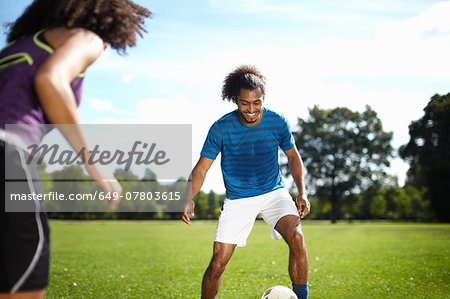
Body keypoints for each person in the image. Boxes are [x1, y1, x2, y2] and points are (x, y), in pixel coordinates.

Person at [0, 0, 151, 298]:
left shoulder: (15, 49)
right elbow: (51, 80)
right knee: (23, 289)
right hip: (8, 151)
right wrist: (95, 166)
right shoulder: (87, 37)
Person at [182, 65, 311, 299]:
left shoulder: (277, 121)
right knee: (218, 263)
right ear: (235, 100)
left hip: (274, 193)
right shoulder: (221, 128)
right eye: (245, 103)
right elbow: (201, 169)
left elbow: (293, 156)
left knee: (297, 238)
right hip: (238, 199)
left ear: (263, 99)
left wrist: (302, 192)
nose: (251, 109)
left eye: (257, 103)